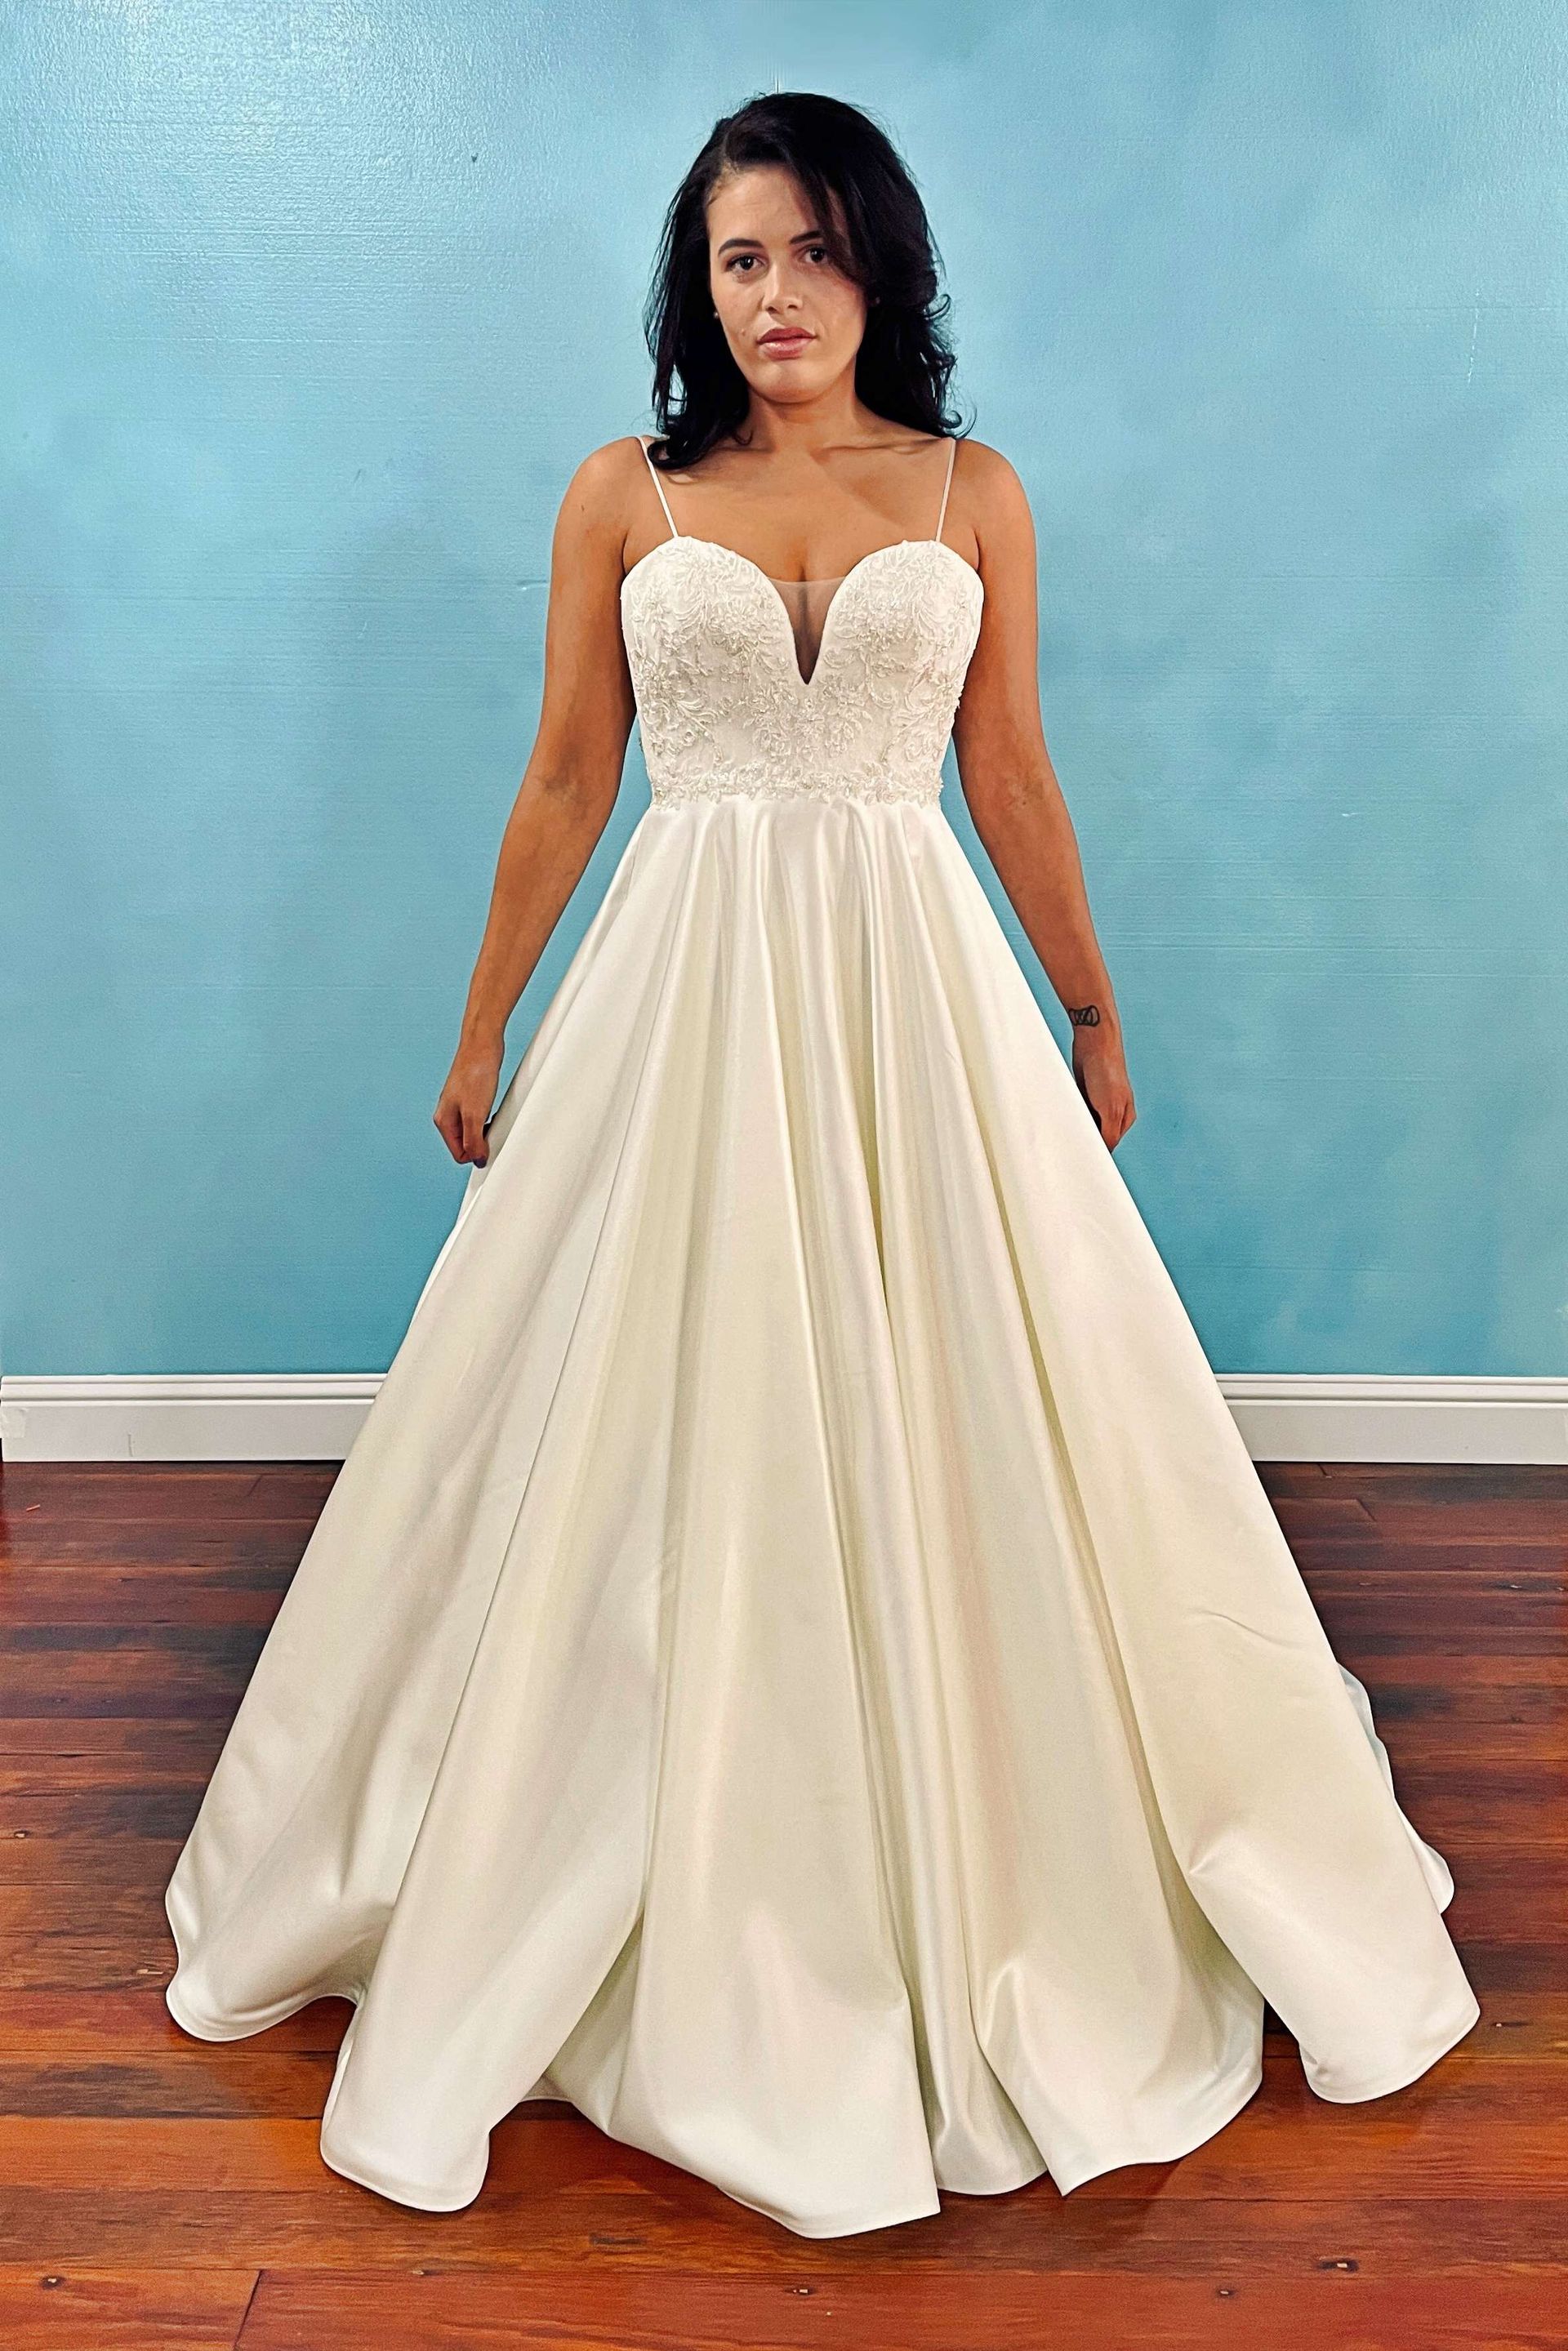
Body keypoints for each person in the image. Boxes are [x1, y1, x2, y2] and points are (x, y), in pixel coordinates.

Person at [163, 90, 1480, 2241]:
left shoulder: (974, 495)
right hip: (676, 989)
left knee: (977, 1387)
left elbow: (1012, 765)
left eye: (814, 252)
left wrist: (1092, 999)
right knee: (633, 1408)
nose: (776, 296)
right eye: (739, 257)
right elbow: (572, 771)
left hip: (910, 991)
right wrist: (486, 1019)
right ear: (699, 283)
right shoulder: (624, 493)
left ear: (887, 265)